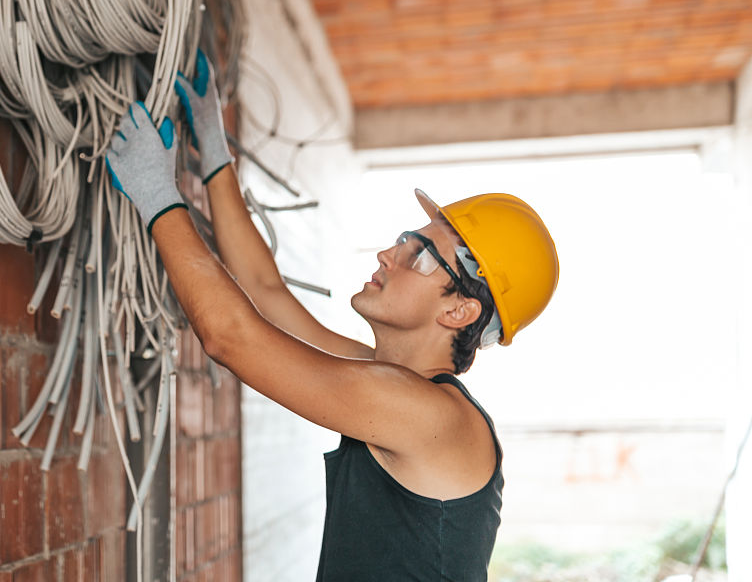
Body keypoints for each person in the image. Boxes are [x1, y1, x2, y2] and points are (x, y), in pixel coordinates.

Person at [105, 53, 560, 581]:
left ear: (460, 309)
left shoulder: (430, 415)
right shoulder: (392, 383)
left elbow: (231, 337)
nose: (388, 256)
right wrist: (212, 147)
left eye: (418, 253)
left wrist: (159, 200)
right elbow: (264, 292)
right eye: (400, 241)